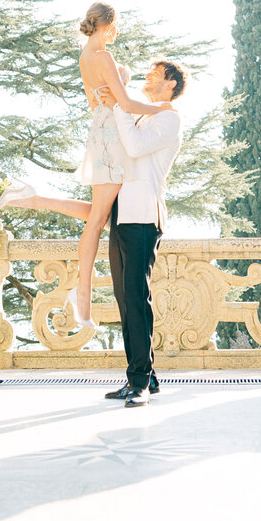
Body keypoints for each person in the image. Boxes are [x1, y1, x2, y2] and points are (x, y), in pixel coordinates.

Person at [0, 2, 172, 326]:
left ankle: (32, 199)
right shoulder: (103, 57)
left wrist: (119, 93)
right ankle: (82, 293)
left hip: (102, 132)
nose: (117, 32)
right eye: (116, 26)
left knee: (102, 215)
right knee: (99, 220)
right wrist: (163, 109)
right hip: (112, 138)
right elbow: (128, 103)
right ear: (108, 25)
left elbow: (96, 103)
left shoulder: (85, 58)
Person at [99, 58, 186, 408]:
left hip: (143, 215)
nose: (148, 75)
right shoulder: (140, 115)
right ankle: (145, 376)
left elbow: (134, 148)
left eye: (156, 73)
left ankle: (139, 385)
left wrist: (118, 105)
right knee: (124, 297)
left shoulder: (169, 118)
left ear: (171, 86)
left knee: (136, 296)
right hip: (121, 213)